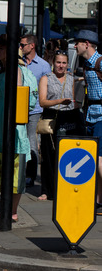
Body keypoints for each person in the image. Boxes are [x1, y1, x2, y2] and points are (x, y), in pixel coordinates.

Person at [0, 34, 32, 224]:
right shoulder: (3, 72)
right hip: (0, 123)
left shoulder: (15, 71)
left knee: (14, 167)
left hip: (11, 124)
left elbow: (17, 98)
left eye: (1, 49)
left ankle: (10, 210)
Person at [38, 50, 85, 201]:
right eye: (58, 62)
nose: (61, 66)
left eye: (64, 63)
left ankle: (65, 187)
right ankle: (47, 190)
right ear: (53, 63)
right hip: (51, 117)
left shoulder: (71, 79)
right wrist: (59, 101)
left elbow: (76, 100)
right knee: (48, 154)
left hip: (69, 117)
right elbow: (42, 101)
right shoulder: (46, 78)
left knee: (66, 154)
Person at [20, 34, 52, 187]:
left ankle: (30, 175)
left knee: (31, 141)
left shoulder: (43, 65)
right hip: (19, 108)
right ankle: (18, 172)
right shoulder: (19, 63)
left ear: (31, 46)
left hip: (35, 110)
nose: (20, 47)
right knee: (19, 141)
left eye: (23, 44)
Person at [75, 30, 102, 205]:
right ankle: (99, 199)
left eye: (77, 43)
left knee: (99, 160)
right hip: (90, 116)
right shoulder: (86, 64)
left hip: (101, 116)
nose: (75, 46)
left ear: (86, 44)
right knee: (96, 159)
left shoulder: (101, 61)